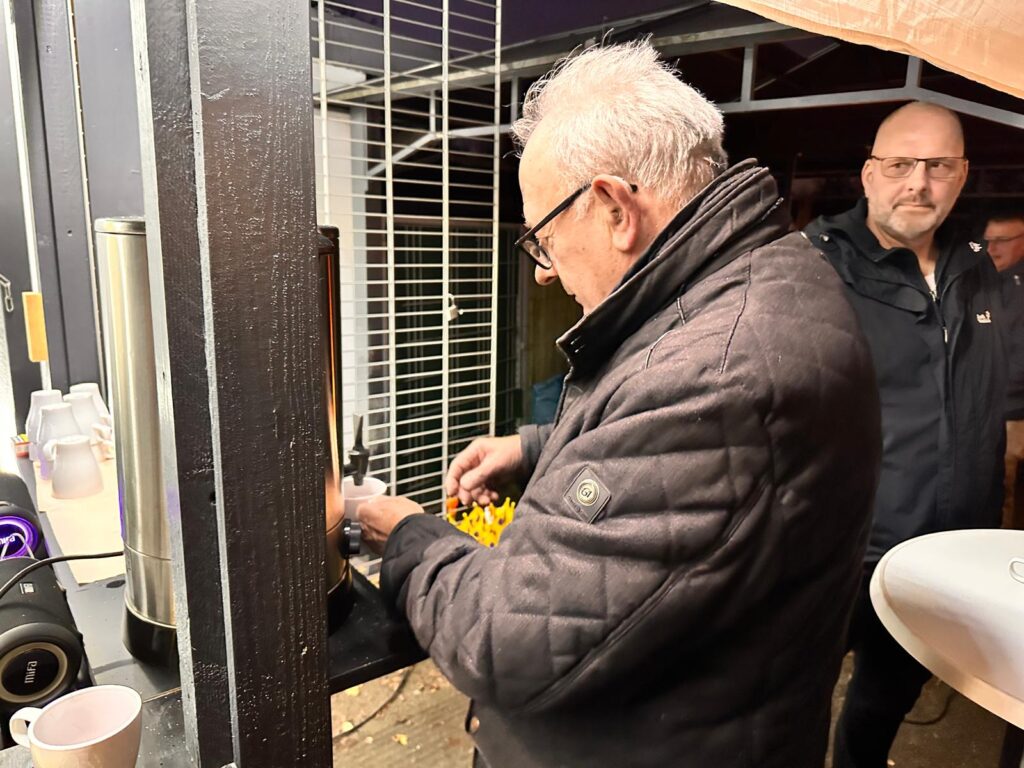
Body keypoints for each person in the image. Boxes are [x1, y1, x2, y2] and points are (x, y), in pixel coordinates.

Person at [358, 41, 881, 768]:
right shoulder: (762, 280)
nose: (543, 274)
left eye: (542, 239)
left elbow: (507, 639)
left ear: (613, 208)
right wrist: (535, 450)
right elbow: (692, 469)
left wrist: (409, 538)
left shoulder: (717, 375)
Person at [805, 102, 1007, 768]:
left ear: (962, 175)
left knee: (884, 698)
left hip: (941, 556)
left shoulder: (978, 272)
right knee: (788, 701)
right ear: (868, 174)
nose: (917, 183)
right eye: (899, 165)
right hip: (836, 554)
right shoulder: (811, 269)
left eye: (937, 166)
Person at [985, 209, 1024, 530]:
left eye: (1002, 240)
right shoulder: (988, 281)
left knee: (1005, 492)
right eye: (988, 241)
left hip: (1012, 413)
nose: (992, 249)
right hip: (994, 409)